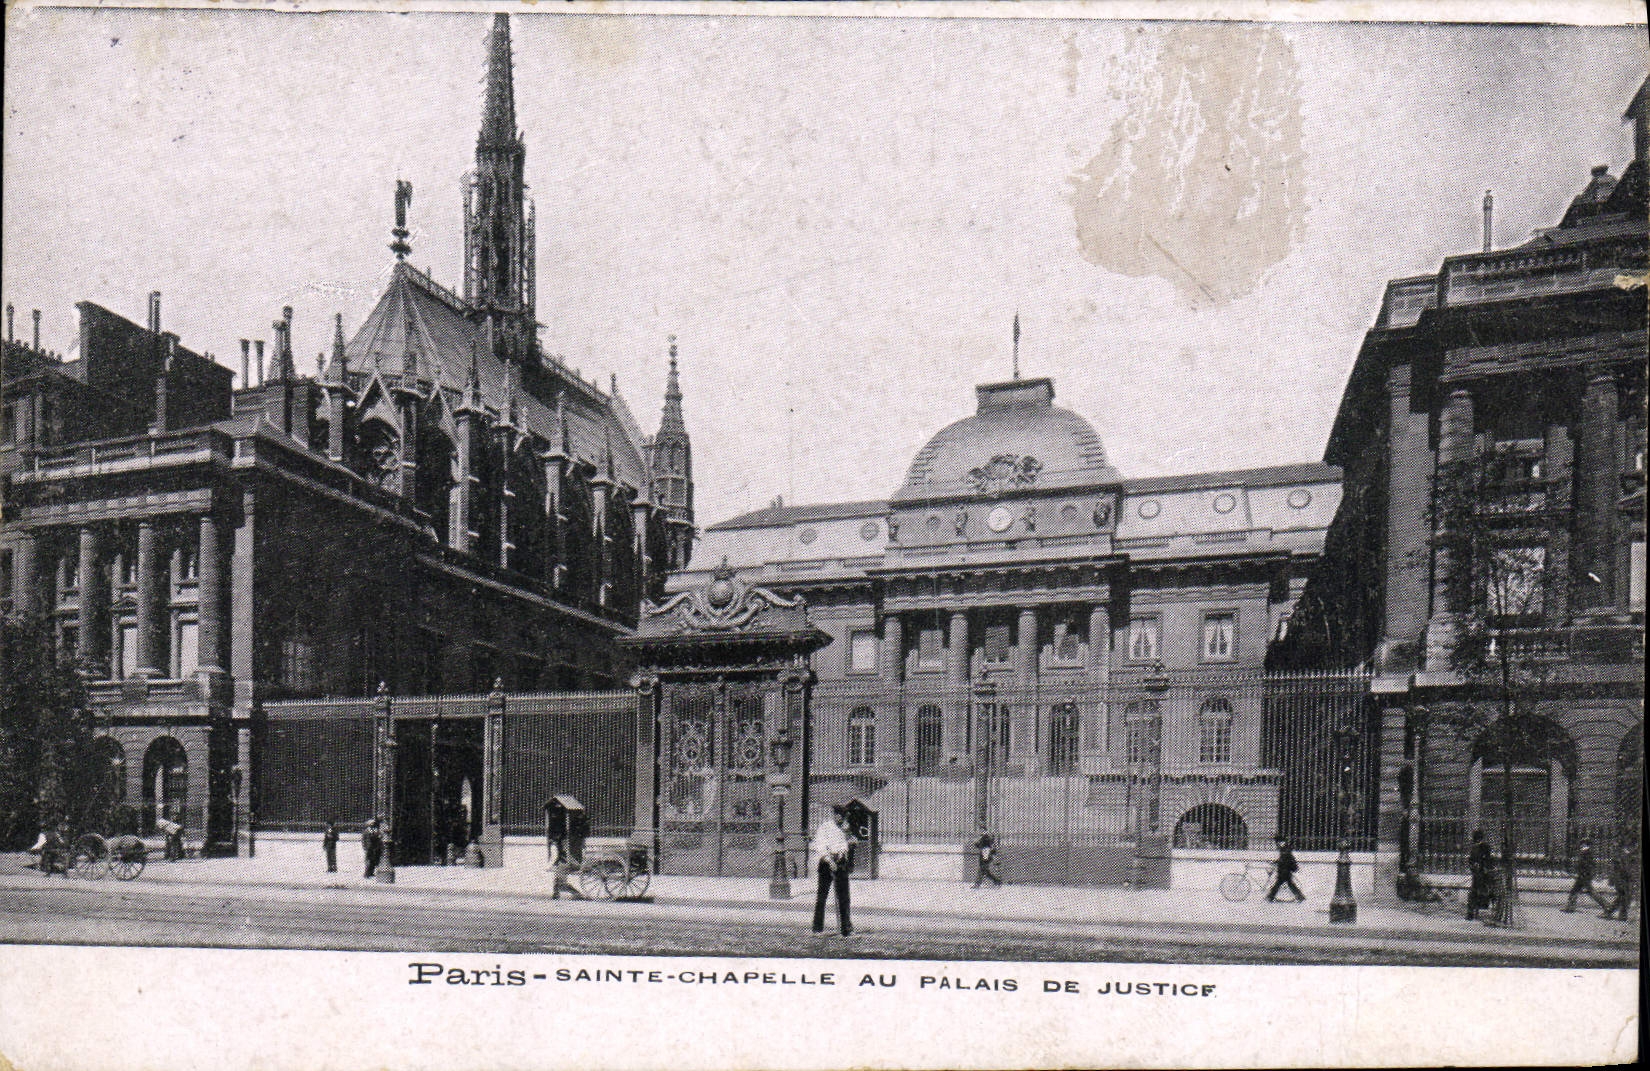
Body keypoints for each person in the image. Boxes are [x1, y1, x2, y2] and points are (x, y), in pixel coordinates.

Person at [811, 805, 854, 936]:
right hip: (826, 863)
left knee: (844, 897)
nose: (840, 818)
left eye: (843, 816)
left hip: (840, 862)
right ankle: (817, 928)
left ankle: (845, 928)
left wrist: (842, 853)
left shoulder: (845, 828)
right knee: (822, 896)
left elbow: (846, 844)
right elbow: (820, 845)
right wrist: (829, 861)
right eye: (838, 815)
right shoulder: (825, 827)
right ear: (834, 815)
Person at [1563, 839, 1610, 913]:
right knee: (1575, 890)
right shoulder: (1585, 852)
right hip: (1583, 875)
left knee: (1590, 892)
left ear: (1586, 845)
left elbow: (1587, 865)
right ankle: (1570, 906)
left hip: (1584, 876)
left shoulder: (1586, 853)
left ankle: (1607, 906)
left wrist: (1581, 870)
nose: (1581, 845)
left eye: (1583, 844)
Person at [1603, 843, 1638, 921]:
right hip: (1621, 879)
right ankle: (1622, 915)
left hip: (1626, 879)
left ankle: (1609, 911)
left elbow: (1631, 869)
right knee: (1625, 896)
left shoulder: (1630, 856)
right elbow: (1620, 869)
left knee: (1623, 897)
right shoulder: (1622, 857)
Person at [1466, 829, 1495, 921]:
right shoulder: (1476, 848)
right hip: (1479, 874)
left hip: (1483, 874)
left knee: (1478, 892)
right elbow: (1471, 860)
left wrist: (1481, 867)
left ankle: (1472, 912)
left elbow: (1487, 859)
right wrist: (1474, 866)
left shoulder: (1484, 847)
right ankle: (1471, 912)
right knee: (1476, 892)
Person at [1265, 837, 1304, 902]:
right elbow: (1282, 859)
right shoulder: (1284, 849)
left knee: (1279, 884)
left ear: (1283, 842)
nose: (1278, 844)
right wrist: (1275, 862)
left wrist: (1279, 864)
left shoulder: (1285, 849)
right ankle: (1300, 896)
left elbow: (1286, 860)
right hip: (1284, 870)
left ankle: (1271, 896)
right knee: (1288, 884)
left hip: (1285, 870)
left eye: (1280, 842)